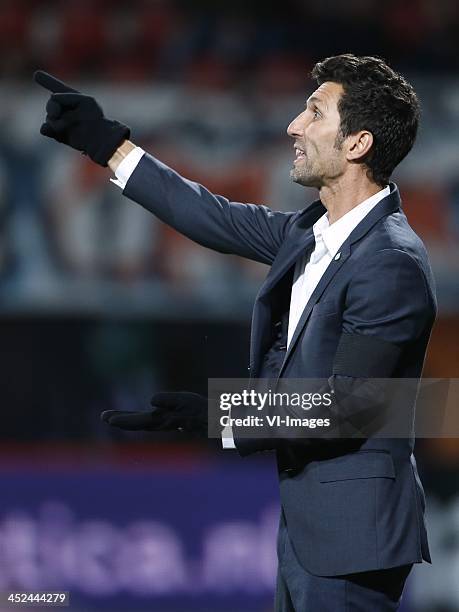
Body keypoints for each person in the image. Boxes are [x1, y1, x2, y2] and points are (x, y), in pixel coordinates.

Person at [34, 54, 436, 611]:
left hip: (353, 541)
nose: (293, 126)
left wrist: (215, 415)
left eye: (314, 113)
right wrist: (108, 146)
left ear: (357, 143)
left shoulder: (391, 261)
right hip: (312, 531)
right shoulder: (310, 234)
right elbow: (210, 216)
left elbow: (347, 408)